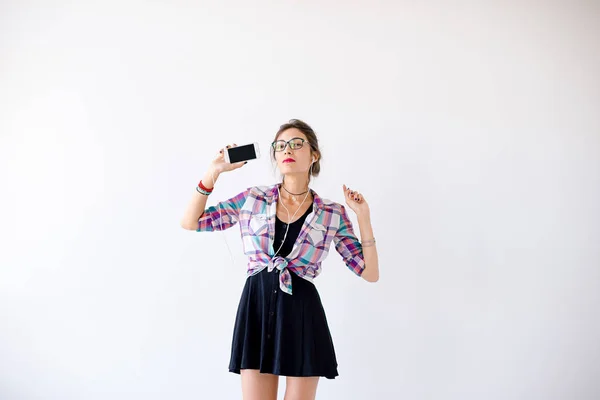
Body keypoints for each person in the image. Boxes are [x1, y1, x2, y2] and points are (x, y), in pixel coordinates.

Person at [180, 119, 379, 400]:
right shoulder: (254, 198)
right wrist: (214, 172)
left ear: (314, 155)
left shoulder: (332, 213)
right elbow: (192, 222)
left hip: (302, 314)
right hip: (257, 309)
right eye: (281, 145)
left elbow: (369, 272)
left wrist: (363, 217)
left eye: (298, 144)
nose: (288, 149)